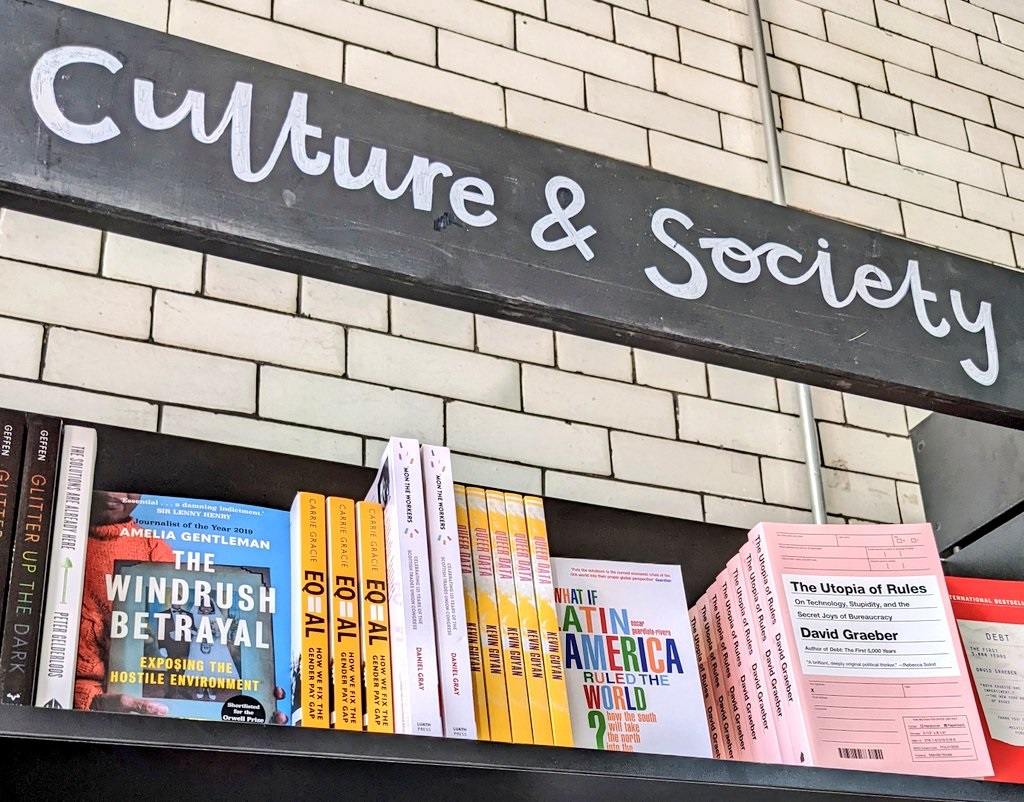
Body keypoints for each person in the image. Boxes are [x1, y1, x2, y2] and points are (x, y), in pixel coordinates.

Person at [76, 491, 288, 723]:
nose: (116, 493)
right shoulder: (51, 538)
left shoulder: (154, 552)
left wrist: (257, 686)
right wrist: (91, 704)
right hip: (81, 724)